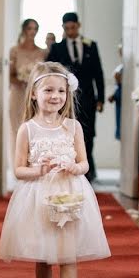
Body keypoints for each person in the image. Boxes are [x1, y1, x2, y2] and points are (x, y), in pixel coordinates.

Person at [0, 61, 110, 278]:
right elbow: (19, 170)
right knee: (45, 256)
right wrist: (40, 170)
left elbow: (84, 164)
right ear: (34, 93)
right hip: (39, 196)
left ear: (67, 94)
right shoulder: (27, 129)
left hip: (70, 194)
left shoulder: (73, 127)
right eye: (48, 90)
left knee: (69, 256)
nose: (55, 96)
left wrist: (75, 167)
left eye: (61, 90)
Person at [46, 12, 104, 182]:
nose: (70, 30)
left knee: (88, 133)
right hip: (65, 99)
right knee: (67, 131)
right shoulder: (57, 48)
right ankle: (69, 166)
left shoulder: (91, 45)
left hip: (88, 99)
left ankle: (87, 168)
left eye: (73, 27)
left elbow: (98, 73)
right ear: (63, 28)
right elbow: (50, 70)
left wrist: (100, 98)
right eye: (67, 28)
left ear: (78, 26)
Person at [9, 18, 47, 138]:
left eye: (35, 29)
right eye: (30, 28)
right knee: (17, 128)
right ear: (24, 30)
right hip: (18, 94)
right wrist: (21, 82)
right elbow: (10, 75)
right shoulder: (15, 50)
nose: (33, 32)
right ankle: (17, 156)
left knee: (35, 128)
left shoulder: (42, 52)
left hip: (35, 95)